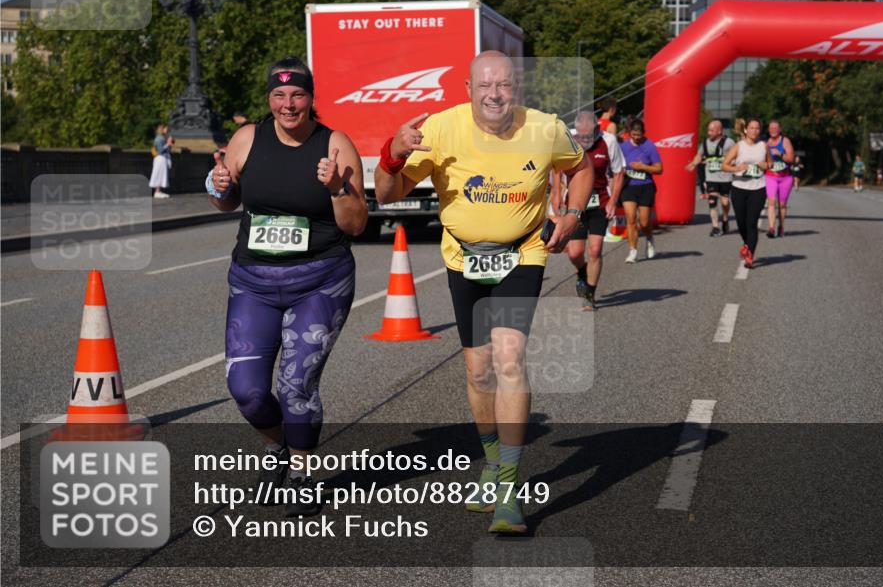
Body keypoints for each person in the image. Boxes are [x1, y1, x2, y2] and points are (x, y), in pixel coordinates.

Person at [375, 51, 592, 534]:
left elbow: (581, 169)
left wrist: (574, 214)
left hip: (522, 253)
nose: (496, 94)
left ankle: (510, 488)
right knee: (478, 371)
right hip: (463, 257)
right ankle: (491, 463)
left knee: (510, 357)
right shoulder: (440, 130)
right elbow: (387, 195)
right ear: (468, 90)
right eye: (486, 86)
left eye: (506, 85)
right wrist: (393, 152)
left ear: (517, 89)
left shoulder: (544, 128)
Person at [207, 56, 368, 517]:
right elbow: (227, 200)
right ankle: (278, 445)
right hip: (253, 282)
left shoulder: (334, 144)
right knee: (247, 390)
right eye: (279, 96)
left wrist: (338, 188)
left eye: (297, 94)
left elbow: (356, 225)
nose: (288, 104)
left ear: (311, 98)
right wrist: (219, 186)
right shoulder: (246, 139)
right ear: (269, 100)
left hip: (320, 281)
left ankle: (301, 468)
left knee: (296, 384)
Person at [552, 110, 625, 310]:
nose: (585, 140)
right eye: (581, 136)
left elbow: (619, 172)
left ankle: (589, 294)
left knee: (595, 250)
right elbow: (557, 168)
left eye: (589, 136)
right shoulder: (569, 138)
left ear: (598, 129)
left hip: (600, 201)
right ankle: (582, 271)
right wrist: (556, 193)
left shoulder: (608, 141)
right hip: (575, 203)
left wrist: (613, 201)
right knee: (575, 253)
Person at [722, 118, 770, 269]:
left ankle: (750, 256)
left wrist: (766, 165)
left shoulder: (763, 146)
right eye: (751, 128)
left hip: (758, 188)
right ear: (746, 130)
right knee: (741, 223)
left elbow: (771, 163)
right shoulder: (738, 146)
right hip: (739, 188)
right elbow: (724, 165)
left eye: (757, 128)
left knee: (752, 223)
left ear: (759, 131)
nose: (754, 131)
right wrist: (736, 168)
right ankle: (747, 244)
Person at [619, 118, 662, 263]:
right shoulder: (623, 147)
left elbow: (659, 169)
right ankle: (633, 251)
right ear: (629, 133)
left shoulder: (649, 146)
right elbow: (617, 165)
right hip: (629, 186)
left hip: (646, 186)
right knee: (631, 219)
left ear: (644, 133)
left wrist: (643, 167)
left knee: (644, 223)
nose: (636, 138)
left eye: (639, 135)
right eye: (633, 135)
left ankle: (649, 239)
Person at [685, 119, 734, 237]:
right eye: (708, 130)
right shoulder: (705, 143)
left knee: (725, 202)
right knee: (712, 201)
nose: (709, 133)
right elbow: (699, 155)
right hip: (711, 177)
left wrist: (730, 161)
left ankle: (725, 219)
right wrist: (693, 164)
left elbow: (736, 155)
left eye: (711, 130)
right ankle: (715, 227)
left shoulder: (729, 143)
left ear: (719, 131)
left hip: (725, 178)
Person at [764, 120, 795, 238]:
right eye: (771, 128)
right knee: (771, 202)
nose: (773, 130)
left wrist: (780, 154)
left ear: (780, 129)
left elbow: (791, 159)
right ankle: (771, 228)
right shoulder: (766, 142)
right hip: (770, 176)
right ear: (768, 130)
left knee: (782, 205)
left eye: (775, 128)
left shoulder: (785, 141)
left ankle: (781, 226)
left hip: (785, 177)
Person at [149, 124, 172, 198]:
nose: (167, 131)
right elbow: (160, 150)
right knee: (159, 174)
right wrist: (167, 144)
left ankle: (158, 191)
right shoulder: (159, 138)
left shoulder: (162, 138)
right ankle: (157, 191)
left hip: (162, 158)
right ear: (162, 129)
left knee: (161, 175)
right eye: (166, 129)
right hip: (160, 158)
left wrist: (168, 143)